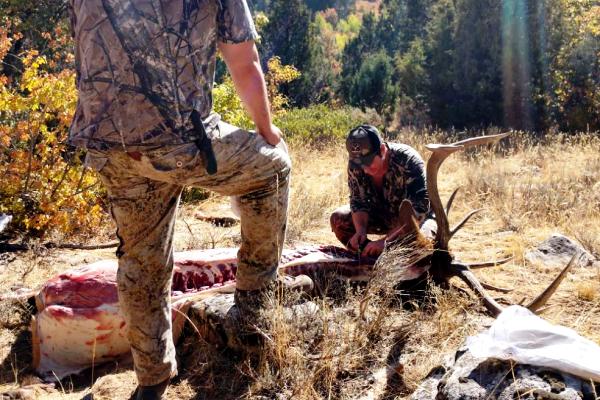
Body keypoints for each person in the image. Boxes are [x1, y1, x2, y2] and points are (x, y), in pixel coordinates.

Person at [68, 1, 311, 398]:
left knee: (142, 260)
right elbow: (244, 62)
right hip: (180, 140)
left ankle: (151, 378)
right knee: (274, 168)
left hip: (108, 143)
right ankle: (254, 298)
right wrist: (266, 128)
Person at [330, 125, 436, 258]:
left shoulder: (408, 160)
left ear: (382, 150)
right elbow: (358, 201)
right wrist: (360, 231)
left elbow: (419, 211)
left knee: (422, 248)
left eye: (368, 162)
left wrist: (385, 242)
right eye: (360, 164)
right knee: (338, 220)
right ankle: (369, 259)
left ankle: (392, 256)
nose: (365, 169)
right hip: (383, 215)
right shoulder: (355, 164)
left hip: (416, 221)